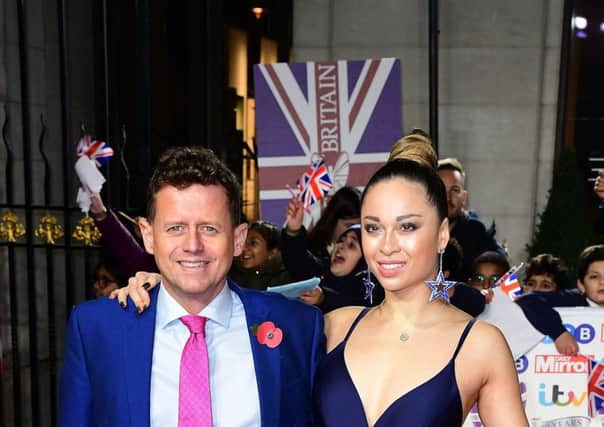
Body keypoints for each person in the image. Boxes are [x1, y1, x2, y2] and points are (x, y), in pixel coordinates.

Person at [59, 147, 325, 426]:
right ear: (148, 236)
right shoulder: (96, 329)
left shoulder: (298, 327)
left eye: (209, 228)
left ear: (238, 239)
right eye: (175, 228)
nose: (193, 245)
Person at [314, 159, 526, 426]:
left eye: (407, 227)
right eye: (373, 228)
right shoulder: (334, 327)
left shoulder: (480, 345)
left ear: (442, 235)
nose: (387, 245)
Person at [516, 244, 604, 356]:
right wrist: (559, 333)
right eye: (594, 277)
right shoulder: (573, 299)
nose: (602, 282)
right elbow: (527, 299)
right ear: (581, 285)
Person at [437, 157, 502, 279]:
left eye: (455, 190)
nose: (447, 198)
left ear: (464, 197)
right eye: (440, 189)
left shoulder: (476, 234)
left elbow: (502, 278)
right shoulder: (417, 232)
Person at [228, 220, 292, 290]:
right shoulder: (229, 274)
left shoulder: (286, 279)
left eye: (253, 243)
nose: (244, 248)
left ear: (272, 252)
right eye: (242, 243)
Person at [305, 186, 362, 260]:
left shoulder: (365, 258)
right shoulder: (308, 253)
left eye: (359, 227)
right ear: (332, 221)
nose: (355, 233)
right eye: (349, 226)